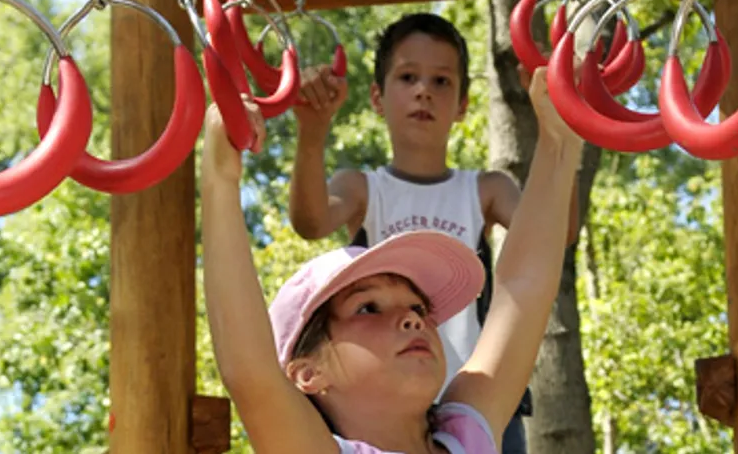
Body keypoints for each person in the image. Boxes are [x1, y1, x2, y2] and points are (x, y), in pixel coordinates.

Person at [200, 67, 584, 453]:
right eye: (367, 307)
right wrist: (219, 177)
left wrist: (559, 137)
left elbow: (523, 289)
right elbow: (249, 370)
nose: (413, 318)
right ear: (307, 372)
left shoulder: (465, 437)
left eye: (418, 306)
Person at [288, 13, 580, 452]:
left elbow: (554, 236)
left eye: (441, 81)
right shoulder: (362, 188)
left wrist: (563, 127)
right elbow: (310, 222)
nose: (424, 89)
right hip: (389, 398)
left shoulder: (485, 189)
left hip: (478, 392)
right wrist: (312, 132)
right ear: (377, 97)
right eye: (407, 76)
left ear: (463, 104)